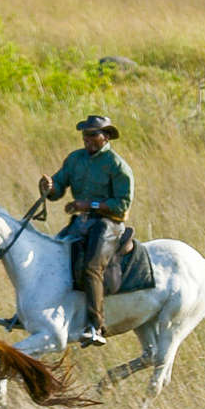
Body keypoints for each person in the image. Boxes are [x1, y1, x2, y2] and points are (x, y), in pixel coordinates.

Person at [39, 115, 134, 346]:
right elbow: (60, 185)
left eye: (93, 134)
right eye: (85, 134)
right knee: (49, 257)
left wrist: (89, 205)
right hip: (80, 222)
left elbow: (122, 206)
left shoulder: (117, 166)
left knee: (92, 267)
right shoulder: (75, 159)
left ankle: (95, 325)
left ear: (106, 136)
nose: (87, 139)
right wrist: (50, 187)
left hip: (108, 224)